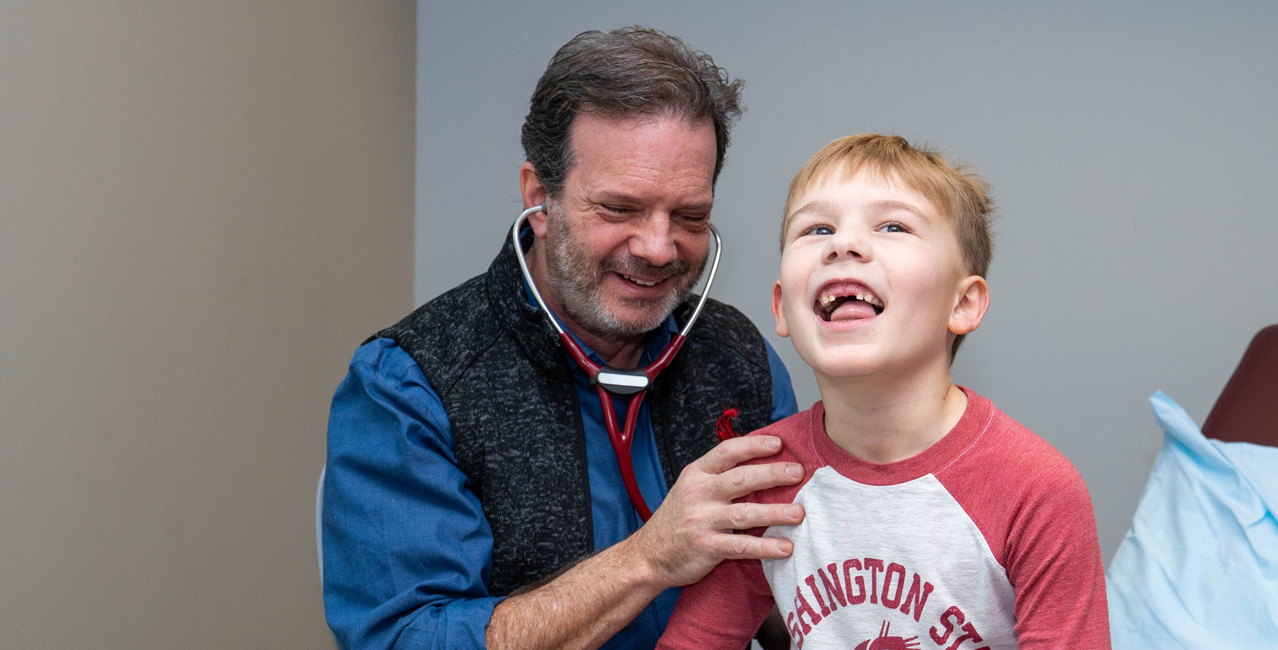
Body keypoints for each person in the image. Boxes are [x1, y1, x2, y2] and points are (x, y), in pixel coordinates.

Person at [322, 27, 808, 650]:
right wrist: (649, 559)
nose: (659, 248)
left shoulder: (738, 357)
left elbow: (791, 594)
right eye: (619, 209)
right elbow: (406, 639)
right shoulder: (409, 383)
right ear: (539, 198)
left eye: (689, 216)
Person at [655, 134, 1112, 649]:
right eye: (817, 228)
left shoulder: (1039, 491)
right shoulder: (760, 484)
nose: (842, 244)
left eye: (893, 226)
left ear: (963, 304)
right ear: (782, 308)